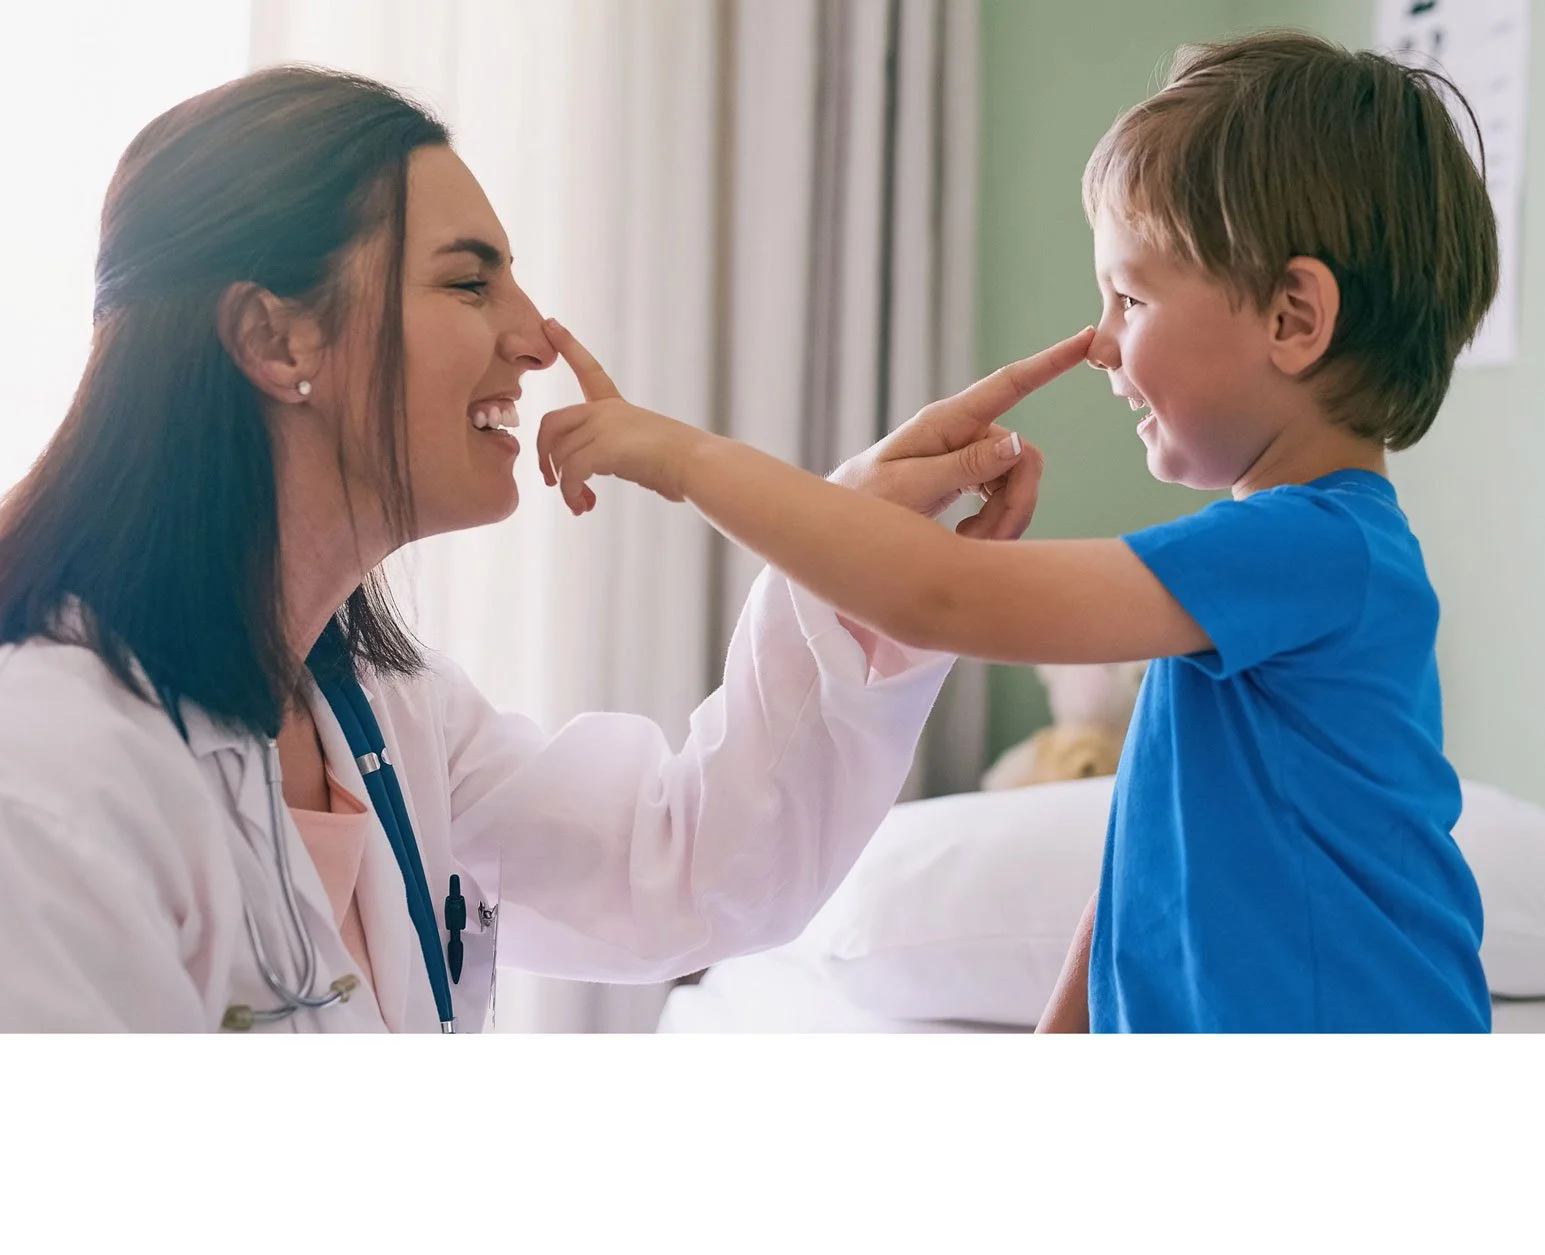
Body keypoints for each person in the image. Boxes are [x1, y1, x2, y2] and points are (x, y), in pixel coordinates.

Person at [0, 65, 1087, 1033]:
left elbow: (687, 868)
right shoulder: (51, 771)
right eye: (470, 283)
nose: (535, 339)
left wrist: (860, 552)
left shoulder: (382, 710)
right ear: (277, 337)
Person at [539, 31, 1498, 1034]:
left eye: (1129, 296)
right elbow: (1156, 858)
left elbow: (938, 594)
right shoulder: (1274, 558)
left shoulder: (1313, 551)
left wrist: (690, 460)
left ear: (1295, 318)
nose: (1099, 341)